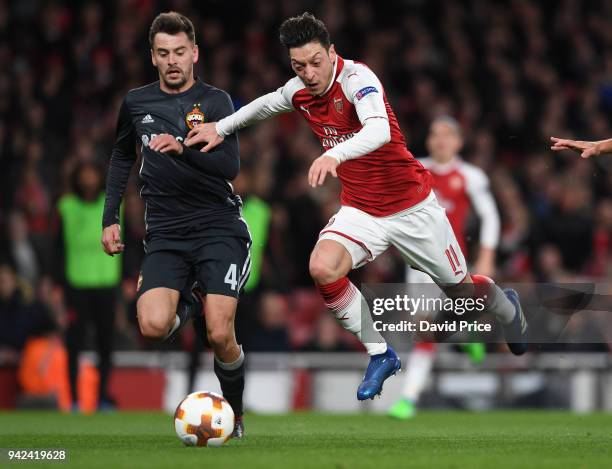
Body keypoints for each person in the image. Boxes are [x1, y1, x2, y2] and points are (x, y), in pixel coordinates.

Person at [185, 12, 528, 401]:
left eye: (316, 62)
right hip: (362, 210)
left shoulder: (357, 79)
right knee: (322, 267)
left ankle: (507, 310)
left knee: (463, 297)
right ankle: (381, 353)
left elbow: (379, 129)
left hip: (412, 207)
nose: (310, 73)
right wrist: (221, 127)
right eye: (300, 66)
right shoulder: (299, 89)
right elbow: (266, 104)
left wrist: (335, 155)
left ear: (332, 53)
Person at [102, 12, 250, 438]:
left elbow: (231, 166)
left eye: (180, 52)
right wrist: (109, 217)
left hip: (218, 226)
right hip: (166, 232)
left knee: (220, 333)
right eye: (164, 53)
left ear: (194, 53)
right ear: (153, 57)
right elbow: (121, 157)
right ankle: (195, 295)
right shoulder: (136, 103)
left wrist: (184, 148)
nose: (172, 61)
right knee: (151, 326)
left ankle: (235, 416)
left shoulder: (217, 102)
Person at [389, 116, 501, 420]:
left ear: (459, 142)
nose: (441, 140)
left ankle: (465, 336)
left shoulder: (471, 176)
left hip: (454, 262)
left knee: (435, 327)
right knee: (425, 329)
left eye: (448, 134)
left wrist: (488, 254)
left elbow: (490, 216)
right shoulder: (415, 169)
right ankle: (410, 398)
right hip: (417, 264)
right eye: (435, 134)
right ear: (428, 141)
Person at [57, 162, 121, 411]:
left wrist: (128, 277)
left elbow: (130, 239)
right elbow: (58, 248)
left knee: (105, 344)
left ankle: (102, 398)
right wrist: (56, 283)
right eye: (84, 173)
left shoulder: (114, 205)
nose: (88, 179)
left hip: (106, 283)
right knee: (74, 344)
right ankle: (73, 400)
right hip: (76, 286)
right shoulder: (66, 207)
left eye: (91, 172)